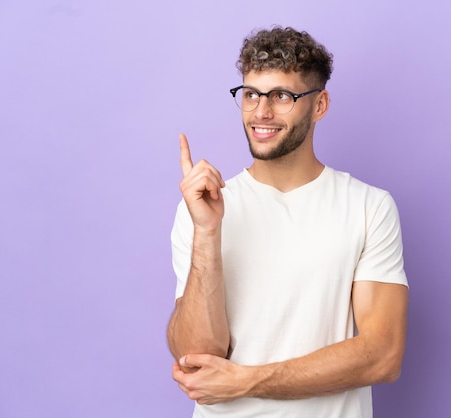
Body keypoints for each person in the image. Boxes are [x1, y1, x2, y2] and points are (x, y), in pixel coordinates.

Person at [166, 26, 409, 418]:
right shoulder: (203, 209)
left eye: (282, 96)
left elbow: (382, 355)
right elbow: (197, 356)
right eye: (250, 95)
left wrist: (246, 380)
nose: (261, 112)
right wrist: (207, 232)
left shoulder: (369, 207)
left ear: (319, 104)